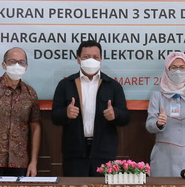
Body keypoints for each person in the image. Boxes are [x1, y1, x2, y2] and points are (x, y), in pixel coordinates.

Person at [50, 40, 130, 177]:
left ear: (101, 59)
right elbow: (54, 117)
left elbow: (125, 118)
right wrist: (65, 113)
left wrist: (115, 114)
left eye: (95, 57)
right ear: (78, 59)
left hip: (104, 153)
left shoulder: (112, 85)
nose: (91, 60)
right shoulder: (66, 84)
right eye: (86, 57)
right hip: (74, 153)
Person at [0, 47, 41, 178]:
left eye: (21, 62)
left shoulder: (30, 93)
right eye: (12, 61)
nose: (17, 66)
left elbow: (36, 128)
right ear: (4, 65)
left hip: (20, 163)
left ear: (26, 66)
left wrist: (34, 162)